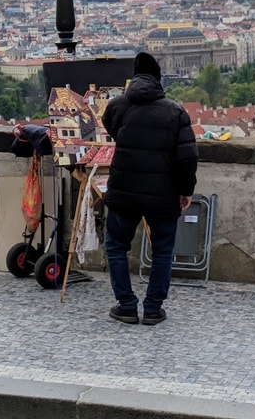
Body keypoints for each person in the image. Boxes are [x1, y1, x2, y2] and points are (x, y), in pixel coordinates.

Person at [101, 52, 197, 325]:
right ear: (158, 78)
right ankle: (153, 308)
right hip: (163, 195)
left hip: (124, 192)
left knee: (117, 247)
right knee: (163, 251)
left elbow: (112, 130)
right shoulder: (176, 112)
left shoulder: (117, 106)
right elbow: (187, 159)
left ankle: (127, 305)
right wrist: (185, 190)